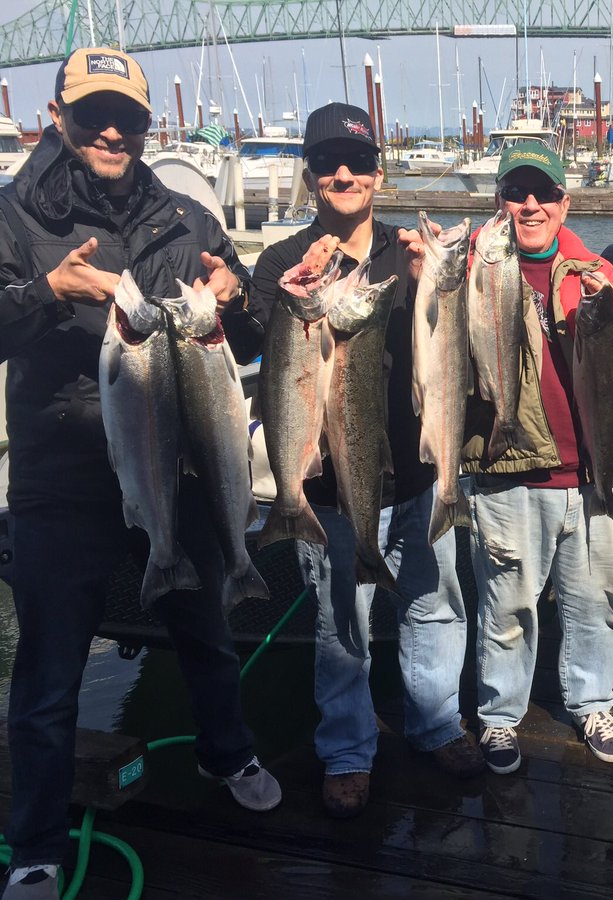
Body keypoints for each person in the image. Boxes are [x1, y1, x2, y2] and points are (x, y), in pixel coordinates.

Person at [0, 48, 280, 898]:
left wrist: (237, 299)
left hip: (178, 466)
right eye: (94, 115)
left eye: (128, 117)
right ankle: (37, 840)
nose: (112, 131)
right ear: (58, 117)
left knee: (207, 630)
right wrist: (48, 290)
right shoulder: (13, 214)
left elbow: (250, 341)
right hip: (62, 478)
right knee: (50, 670)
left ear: (149, 126)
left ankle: (227, 751)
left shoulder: (186, 217)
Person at [248, 103, 483, 819]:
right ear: (310, 177)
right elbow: (267, 351)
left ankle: (436, 722)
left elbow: (459, 348)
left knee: (434, 605)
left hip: (417, 476)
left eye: (356, 163)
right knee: (340, 626)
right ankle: (348, 749)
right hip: (332, 490)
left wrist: (436, 282)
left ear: (379, 175)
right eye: (326, 164)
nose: (342, 175)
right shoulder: (283, 264)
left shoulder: (411, 255)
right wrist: (291, 300)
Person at [412, 143, 613, 774]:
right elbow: (438, 346)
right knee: (507, 608)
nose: (530, 205)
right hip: (506, 475)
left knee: (599, 603)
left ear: (563, 204)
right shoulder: (471, 267)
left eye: (543, 193)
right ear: (499, 205)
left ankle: (592, 702)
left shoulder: (593, 269)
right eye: (516, 193)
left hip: (592, 474)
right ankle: (500, 716)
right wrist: (430, 275)